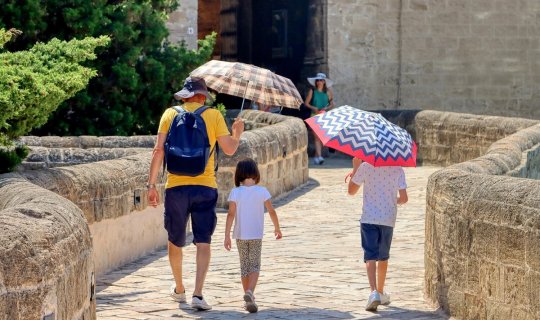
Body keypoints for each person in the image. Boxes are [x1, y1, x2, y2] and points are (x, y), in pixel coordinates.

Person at [147, 77, 245, 311]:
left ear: (184, 95)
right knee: (203, 241)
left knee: (175, 239)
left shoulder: (169, 114)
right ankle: (198, 294)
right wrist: (237, 133)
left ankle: (179, 288)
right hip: (205, 185)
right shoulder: (213, 115)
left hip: (175, 186)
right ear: (202, 96)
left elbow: (158, 150)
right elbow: (230, 149)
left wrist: (151, 185)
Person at [347, 158, 408, 312]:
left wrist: (355, 167)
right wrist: (391, 200)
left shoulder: (366, 166)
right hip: (388, 218)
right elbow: (404, 198)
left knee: (370, 255)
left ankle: (373, 292)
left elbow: (351, 191)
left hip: (369, 218)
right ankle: (381, 291)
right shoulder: (398, 169)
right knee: (383, 256)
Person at [224, 158, 282, 313]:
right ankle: (250, 292)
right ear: (256, 173)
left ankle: (248, 297)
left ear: (239, 175)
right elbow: (272, 211)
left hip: (240, 235)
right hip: (256, 234)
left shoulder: (235, 192)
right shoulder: (262, 191)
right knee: (255, 265)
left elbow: (230, 215)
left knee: (244, 267)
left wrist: (227, 235)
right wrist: (277, 228)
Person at [304, 72, 335, 165]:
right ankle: (320, 156)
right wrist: (313, 107)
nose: (319, 82)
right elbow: (306, 103)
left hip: (324, 117)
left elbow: (332, 104)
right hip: (314, 116)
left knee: (322, 138)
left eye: (321, 80)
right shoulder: (312, 91)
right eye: (318, 80)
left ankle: (317, 156)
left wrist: (327, 108)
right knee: (317, 137)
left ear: (324, 82)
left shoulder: (328, 92)